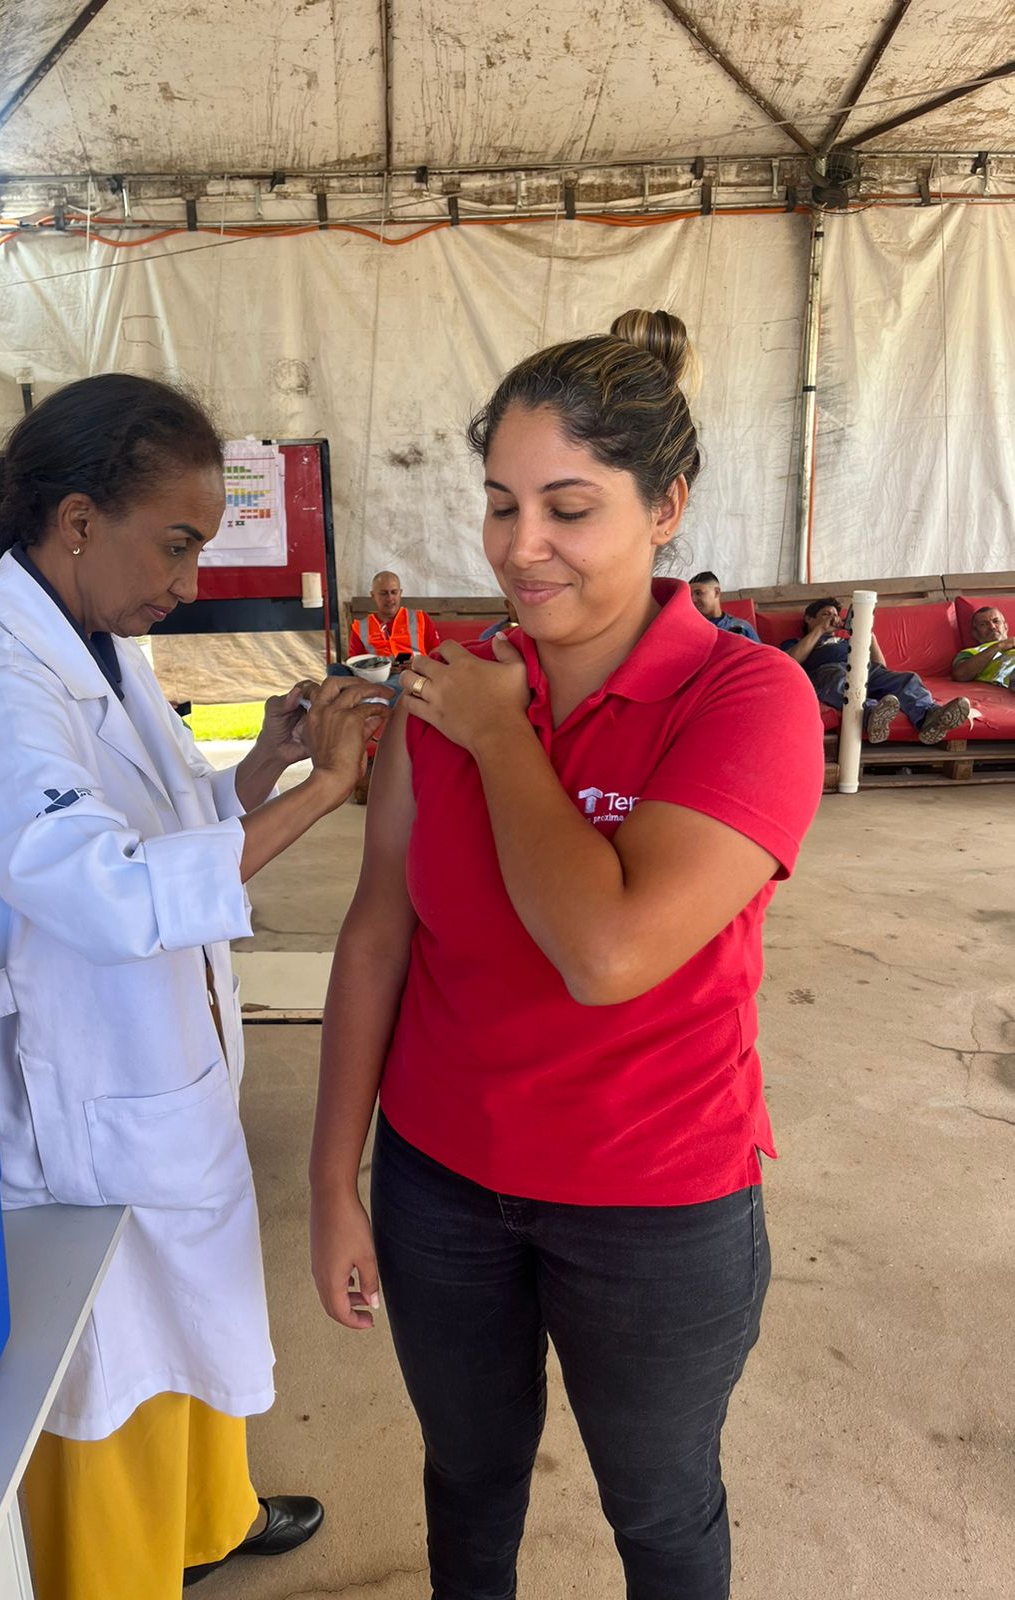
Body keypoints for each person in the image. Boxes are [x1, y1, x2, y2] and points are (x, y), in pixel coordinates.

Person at [309, 310, 827, 1600]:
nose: (520, 549)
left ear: (667, 509)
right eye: (499, 505)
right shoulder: (452, 689)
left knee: (658, 1506)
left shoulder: (744, 702)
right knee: (468, 1484)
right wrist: (333, 1181)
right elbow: (379, 930)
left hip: (655, 1198)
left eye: (568, 508)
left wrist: (502, 740)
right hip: (444, 1185)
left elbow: (608, 951)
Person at [0, 375, 387, 1600]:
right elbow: (113, 894)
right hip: (85, 1089)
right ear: (76, 521)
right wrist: (329, 792)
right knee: (114, 1346)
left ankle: (207, 1516)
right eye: (174, 544)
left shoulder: (100, 642)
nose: (185, 579)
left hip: (162, 1062)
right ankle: (125, 1566)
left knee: (198, 1304)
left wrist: (267, 766)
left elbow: (169, 821)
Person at [783, 598, 970, 744]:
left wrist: (868, 635)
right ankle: (872, 715)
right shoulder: (796, 643)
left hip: (865, 670)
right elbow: (790, 661)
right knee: (838, 677)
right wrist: (819, 630)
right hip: (828, 673)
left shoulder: (847, 641)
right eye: (826, 614)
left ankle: (929, 718)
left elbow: (881, 667)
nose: (834, 618)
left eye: (836, 615)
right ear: (809, 618)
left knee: (907, 679)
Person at [348, 570, 440, 661]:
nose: (389, 598)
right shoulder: (360, 628)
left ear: (400, 593)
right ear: (373, 595)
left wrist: (417, 664)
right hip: (377, 674)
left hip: (415, 672)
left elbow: (436, 655)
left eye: (394, 592)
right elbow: (354, 664)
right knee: (336, 668)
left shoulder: (420, 618)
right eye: (383, 593)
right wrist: (381, 667)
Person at [951, 605, 1015, 689]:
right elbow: (960, 674)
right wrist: (1000, 645)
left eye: (996, 621)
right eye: (983, 624)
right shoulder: (972, 652)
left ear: (1006, 627)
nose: (992, 627)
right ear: (975, 633)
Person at [689, 570, 761, 640]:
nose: (693, 600)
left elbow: (761, 652)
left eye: (698, 593)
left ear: (716, 592)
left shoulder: (740, 628)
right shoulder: (690, 628)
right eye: (690, 595)